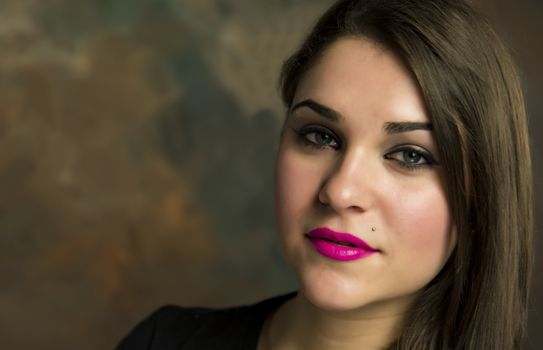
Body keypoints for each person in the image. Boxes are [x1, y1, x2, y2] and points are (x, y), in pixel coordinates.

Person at [116, 0, 533, 349]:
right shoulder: (164, 341)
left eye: (408, 155)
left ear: (479, 195)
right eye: (320, 135)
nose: (340, 190)